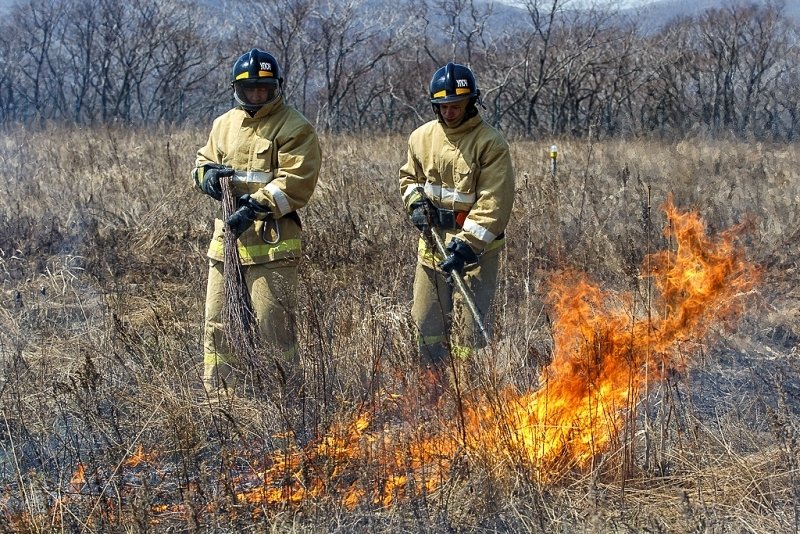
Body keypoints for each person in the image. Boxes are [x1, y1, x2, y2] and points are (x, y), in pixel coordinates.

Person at [193, 48, 321, 401]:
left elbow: (297, 180)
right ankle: (223, 402)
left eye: (264, 89)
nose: (257, 95)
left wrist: (254, 207)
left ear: (277, 87)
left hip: (273, 244)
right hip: (227, 244)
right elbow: (204, 160)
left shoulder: (295, 127)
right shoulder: (224, 124)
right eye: (250, 89)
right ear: (238, 88)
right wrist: (205, 177)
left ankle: (288, 401)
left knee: (273, 327)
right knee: (218, 324)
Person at [398, 62, 515, 396]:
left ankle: (470, 397)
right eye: (443, 106)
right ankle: (431, 393)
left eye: (457, 105)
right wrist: (415, 204)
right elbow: (409, 179)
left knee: (469, 335)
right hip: (432, 247)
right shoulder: (421, 138)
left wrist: (466, 246)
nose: (449, 112)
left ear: (471, 103)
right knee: (425, 324)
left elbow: (495, 202)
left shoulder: (490, 143)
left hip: (475, 253)